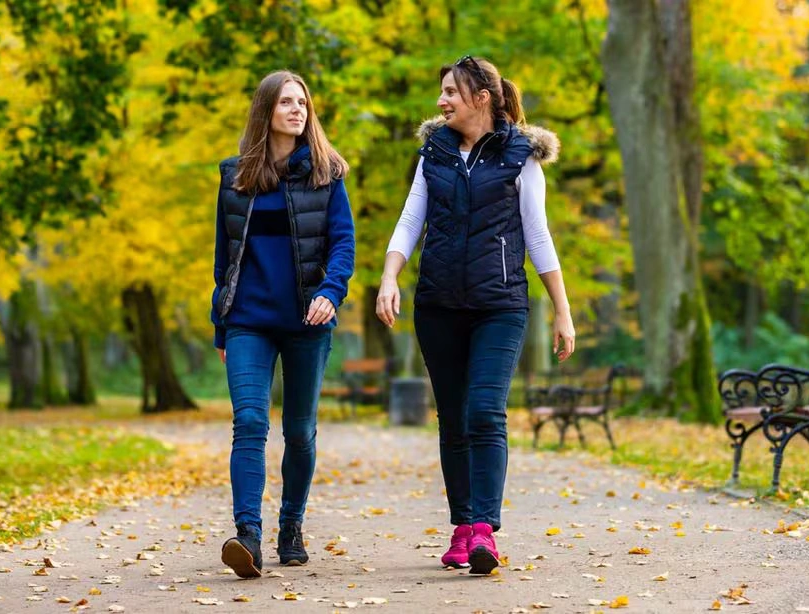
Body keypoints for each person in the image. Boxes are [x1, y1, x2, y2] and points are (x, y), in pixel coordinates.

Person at [375, 55, 575, 575]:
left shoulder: (520, 156)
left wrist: (562, 309)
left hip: (500, 305)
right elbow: (410, 219)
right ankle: (462, 526)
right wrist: (390, 276)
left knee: (485, 410)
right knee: (453, 420)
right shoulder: (433, 152)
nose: (441, 102)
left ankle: (485, 528)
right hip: (438, 304)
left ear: (481, 97)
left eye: (450, 93)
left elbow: (538, 234)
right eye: (441, 93)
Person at [211, 70, 355, 579]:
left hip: (306, 322)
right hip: (248, 321)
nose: (298, 110)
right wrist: (220, 327)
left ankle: (290, 525)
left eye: (303, 102)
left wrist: (330, 292)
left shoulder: (327, 173)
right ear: (266, 110)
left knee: (299, 432)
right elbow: (224, 259)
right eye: (287, 102)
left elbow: (343, 245)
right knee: (249, 422)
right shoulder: (235, 177)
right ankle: (246, 535)